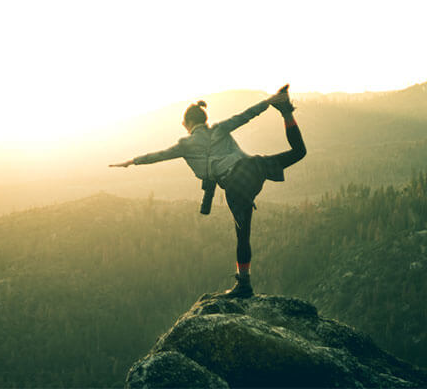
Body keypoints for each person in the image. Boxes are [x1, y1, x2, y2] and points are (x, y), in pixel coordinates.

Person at [109, 85, 306, 298]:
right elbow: (246, 115)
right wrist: (269, 101)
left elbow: (159, 155)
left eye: (184, 124)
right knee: (298, 152)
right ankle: (286, 113)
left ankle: (244, 284)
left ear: (187, 123)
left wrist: (131, 162)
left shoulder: (186, 143)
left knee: (243, 235)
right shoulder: (219, 129)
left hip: (235, 183)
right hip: (253, 167)